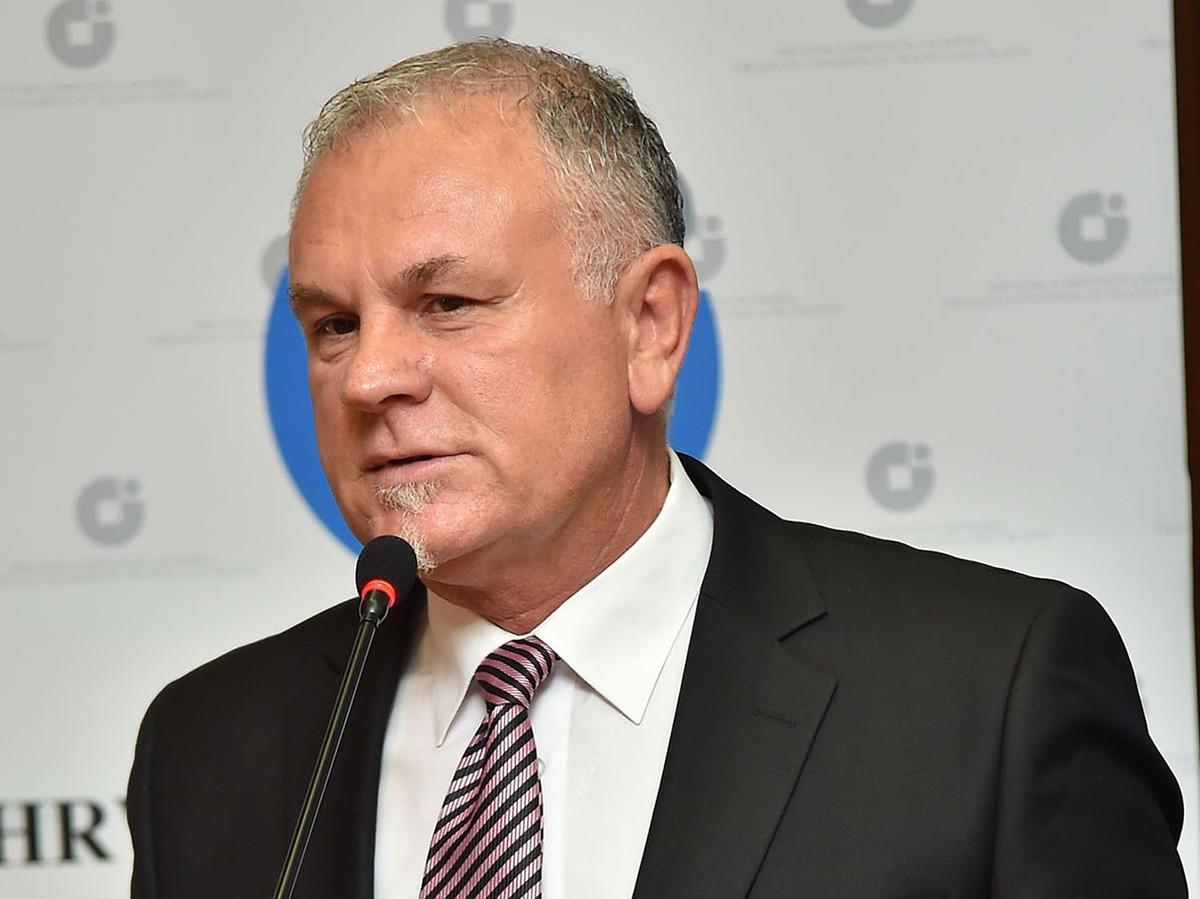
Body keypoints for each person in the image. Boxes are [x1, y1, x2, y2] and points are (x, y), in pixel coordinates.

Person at [127, 39, 1187, 898]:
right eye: (332, 324)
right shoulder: (209, 746)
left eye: (446, 303)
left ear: (651, 324)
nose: (369, 378)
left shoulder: (985, 695)